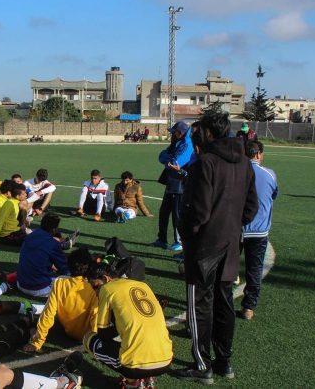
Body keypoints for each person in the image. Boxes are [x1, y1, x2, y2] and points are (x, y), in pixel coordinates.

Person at [175, 113, 258, 384]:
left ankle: (202, 365)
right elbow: (250, 207)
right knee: (223, 302)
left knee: (200, 304)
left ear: (210, 133)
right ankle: (224, 361)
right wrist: (232, 226)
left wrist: (189, 236)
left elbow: (197, 211)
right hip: (231, 243)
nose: (196, 133)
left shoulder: (205, 163)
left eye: (199, 129)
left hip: (205, 247)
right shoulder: (245, 163)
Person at [83, 266, 173, 389]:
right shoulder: (143, 285)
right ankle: (147, 378)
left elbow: (103, 335)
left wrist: (118, 326)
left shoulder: (107, 289)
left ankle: (132, 382)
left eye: (96, 286)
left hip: (135, 366)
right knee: (131, 340)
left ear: (105, 278)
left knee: (89, 339)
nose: (96, 291)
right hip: (166, 360)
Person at [23, 248, 98, 353]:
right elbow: (95, 317)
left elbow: (48, 313)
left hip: (67, 329)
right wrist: (93, 343)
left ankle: (33, 328)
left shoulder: (60, 282)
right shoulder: (93, 289)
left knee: (41, 320)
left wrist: (37, 342)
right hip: (86, 337)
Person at [239, 140, 278, 321]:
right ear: (258, 154)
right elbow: (273, 195)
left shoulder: (236, 173)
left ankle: (217, 302)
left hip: (236, 229)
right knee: (254, 270)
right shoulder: (269, 174)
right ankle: (249, 307)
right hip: (259, 231)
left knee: (226, 267)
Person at [153, 120, 194, 251]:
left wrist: (169, 159)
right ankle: (162, 239)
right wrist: (169, 159)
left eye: (174, 132)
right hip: (171, 182)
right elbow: (161, 156)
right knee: (163, 212)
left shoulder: (187, 144)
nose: (172, 134)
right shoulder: (176, 143)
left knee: (177, 215)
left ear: (180, 133)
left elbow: (176, 163)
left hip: (180, 185)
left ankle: (179, 241)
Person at [16, 213, 69, 297]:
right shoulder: (53, 244)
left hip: (20, 284)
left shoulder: (30, 236)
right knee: (73, 283)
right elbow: (64, 269)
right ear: (54, 229)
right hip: (38, 288)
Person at [0, 183, 28, 249]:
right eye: (23, 194)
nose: (26, 195)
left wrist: (23, 210)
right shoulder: (9, 204)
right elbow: (0, 221)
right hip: (7, 235)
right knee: (32, 242)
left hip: (15, 231)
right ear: (18, 196)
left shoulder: (18, 203)